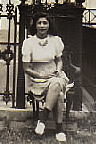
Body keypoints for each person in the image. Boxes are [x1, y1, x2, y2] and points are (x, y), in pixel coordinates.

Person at [22, 12, 68, 143]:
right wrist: (41, 75)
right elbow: (26, 68)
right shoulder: (29, 42)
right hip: (37, 78)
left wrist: (58, 70)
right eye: (39, 23)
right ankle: (59, 129)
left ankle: (42, 120)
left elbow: (59, 61)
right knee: (58, 93)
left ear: (49, 25)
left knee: (57, 82)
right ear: (35, 25)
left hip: (55, 74)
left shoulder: (55, 40)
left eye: (45, 23)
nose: (42, 26)